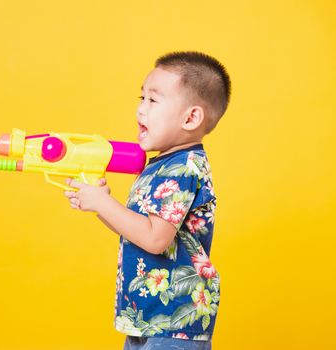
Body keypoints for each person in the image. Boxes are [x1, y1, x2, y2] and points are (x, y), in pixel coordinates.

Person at [64, 51, 231, 350]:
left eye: (153, 101)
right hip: (147, 317)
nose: (141, 110)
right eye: (141, 98)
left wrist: (103, 204)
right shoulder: (160, 164)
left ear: (191, 117)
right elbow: (139, 231)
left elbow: (155, 239)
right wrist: (100, 203)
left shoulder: (184, 167)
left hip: (175, 321)